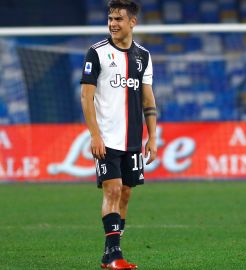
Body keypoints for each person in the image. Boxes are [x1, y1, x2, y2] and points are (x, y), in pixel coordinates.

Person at [80, 0, 157, 269]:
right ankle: (114, 256)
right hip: (107, 139)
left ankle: (110, 253)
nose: (112, 23)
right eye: (110, 18)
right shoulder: (96, 53)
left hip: (133, 140)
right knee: (112, 190)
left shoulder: (143, 56)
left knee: (125, 193)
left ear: (132, 22)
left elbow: (148, 100)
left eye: (119, 19)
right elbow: (86, 97)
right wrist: (94, 135)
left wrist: (153, 137)